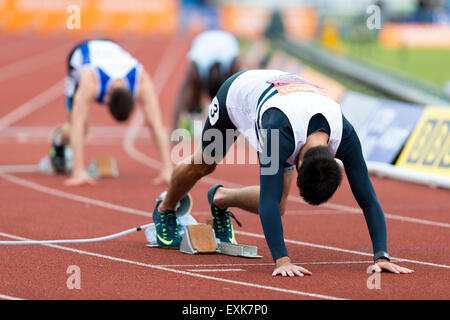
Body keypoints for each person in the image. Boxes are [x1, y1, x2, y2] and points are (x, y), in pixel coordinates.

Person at [153, 69, 414, 277]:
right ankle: (166, 208)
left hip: (283, 102)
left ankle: (219, 198)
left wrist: (382, 255)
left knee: (279, 205)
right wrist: (282, 260)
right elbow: (265, 198)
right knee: (206, 163)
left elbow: (368, 199)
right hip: (236, 98)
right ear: (299, 164)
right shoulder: (277, 138)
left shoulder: (344, 134)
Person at [50, 39, 172, 186]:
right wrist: (79, 171)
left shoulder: (142, 82)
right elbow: (77, 122)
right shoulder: (90, 82)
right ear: (106, 99)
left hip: (111, 45)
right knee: (81, 128)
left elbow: (155, 124)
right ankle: (58, 139)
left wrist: (167, 169)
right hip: (81, 53)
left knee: (153, 119)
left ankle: (69, 151)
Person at [172, 29, 241, 134]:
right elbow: (182, 98)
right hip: (205, 42)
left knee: (235, 97)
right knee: (191, 100)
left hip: (226, 42)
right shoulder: (196, 68)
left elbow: (242, 93)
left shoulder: (232, 64)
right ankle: (195, 109)